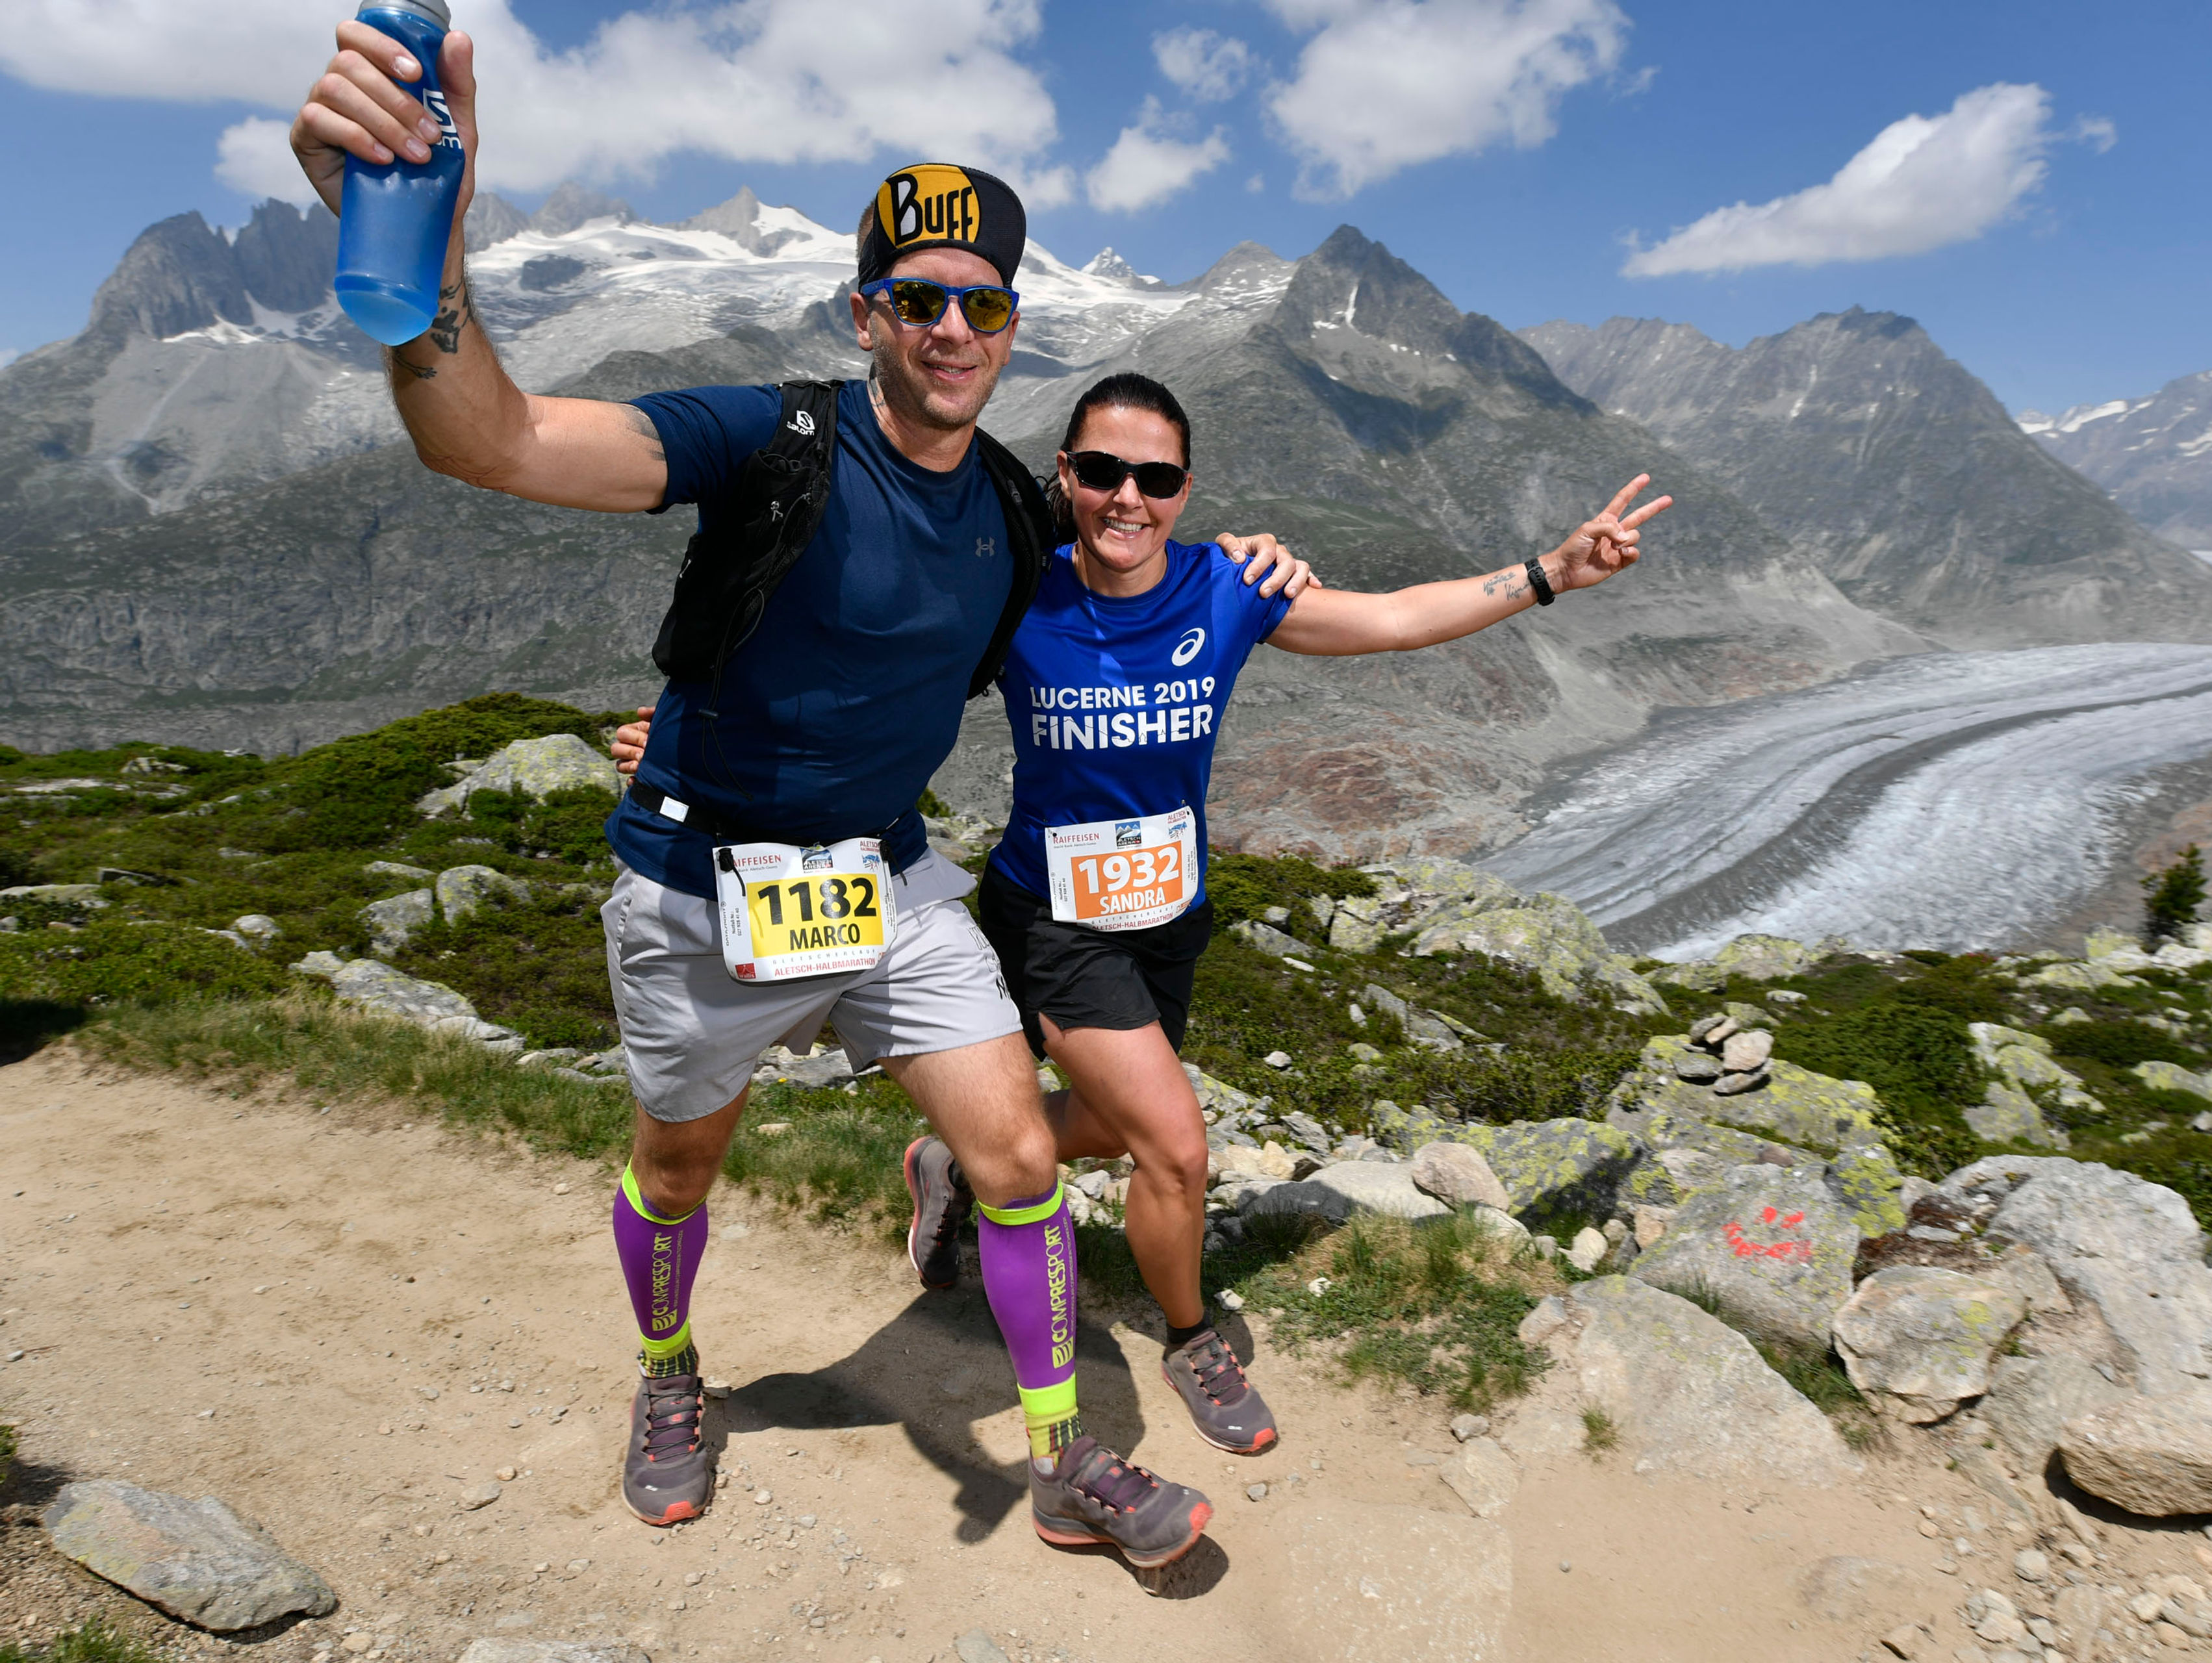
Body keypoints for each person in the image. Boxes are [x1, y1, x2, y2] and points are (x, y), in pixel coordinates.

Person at [287, 20, 1308, 1569]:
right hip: (705, 884)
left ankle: (1057, 1460)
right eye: (917, 299)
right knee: (681, 1162)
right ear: (868, 312)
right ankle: (668, 1374)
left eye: (978, 302)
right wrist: (429, 245)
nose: (949, 327)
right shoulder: (770, 440)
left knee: (1021, 1155)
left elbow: (1127, 580)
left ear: (1011, 326)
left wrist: (1259, 577)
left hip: (888, 883)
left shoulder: (1023, 513)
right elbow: (487, 440)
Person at [615, 372, 1666, 1455]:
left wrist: (1550, 574)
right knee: (1175, 1146)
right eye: (1104, 471)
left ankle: (951, 1167)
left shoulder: (1228, 587)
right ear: (1064, 476)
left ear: (1184, 490)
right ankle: (1192, 1334)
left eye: (1155, 478)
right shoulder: (1018, 590)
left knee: (1118, 1122)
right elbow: (859, 651)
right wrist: (699, 746)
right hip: (1053, 918)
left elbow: (1395, 620)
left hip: (1169, 916)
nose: (1128, 497)